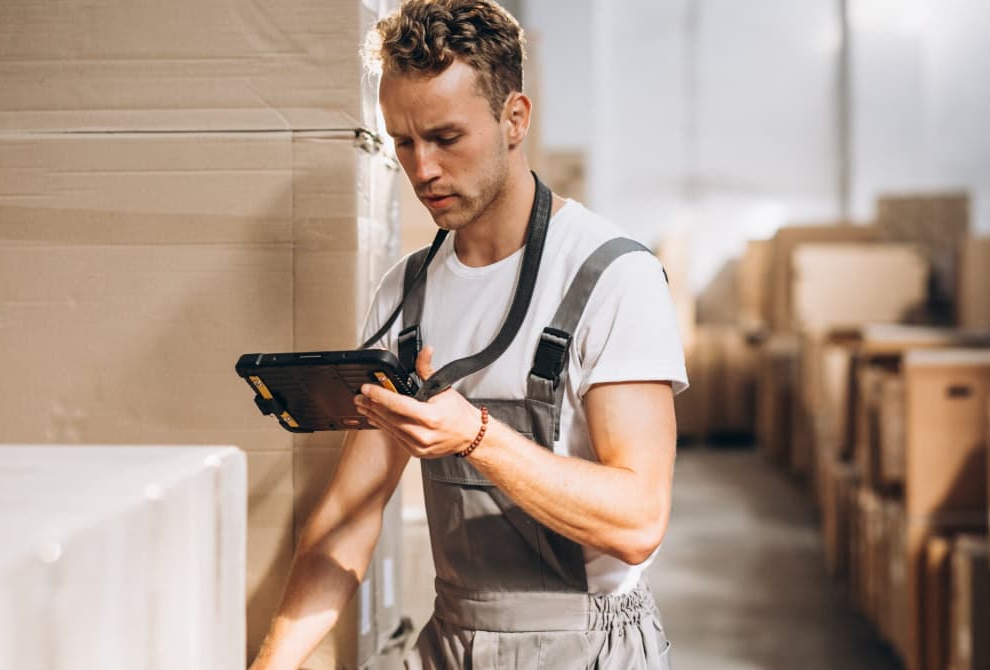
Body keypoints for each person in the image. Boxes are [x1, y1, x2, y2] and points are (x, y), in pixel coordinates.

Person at [248, 1, 687, 668]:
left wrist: (477, 438)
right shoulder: (406, 294)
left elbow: (638, 520)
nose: (421, 169)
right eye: (402, 140)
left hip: (588, 645)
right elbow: (346, 525)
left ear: (515, 119)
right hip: (455, 640)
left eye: (446, 138)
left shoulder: (612, 277)